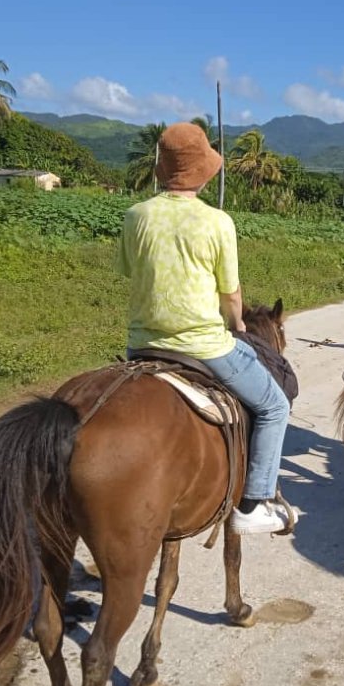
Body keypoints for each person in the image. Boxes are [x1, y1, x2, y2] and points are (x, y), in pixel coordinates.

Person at [114, 122, 295, 535]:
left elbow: (130, 271)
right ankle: (254, 502)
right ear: (203, 171)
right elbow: (231, 294)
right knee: (274, 406)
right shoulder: (217, 222)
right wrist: (238, 325)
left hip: (141, 345)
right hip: (204, 345)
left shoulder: (135, 215)